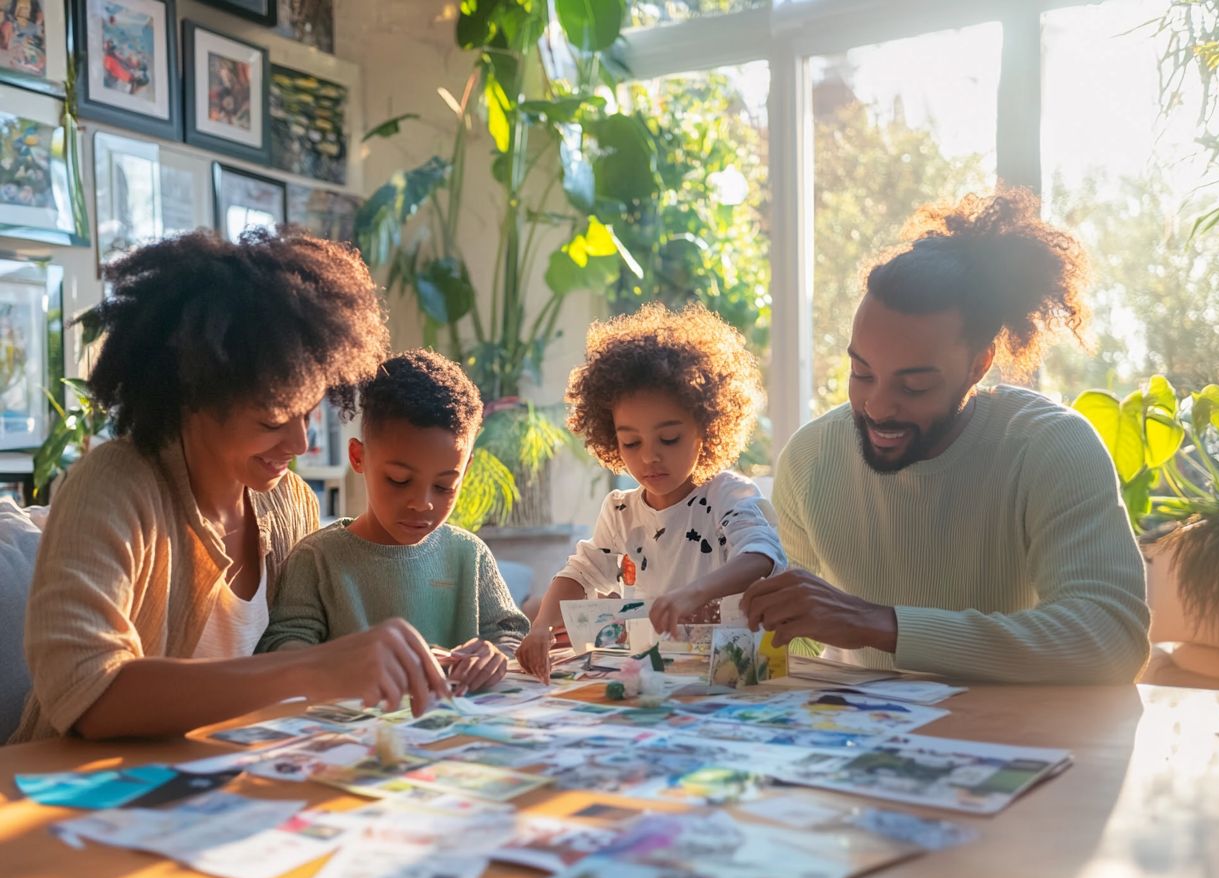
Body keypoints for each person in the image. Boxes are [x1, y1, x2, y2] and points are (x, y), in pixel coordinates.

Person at [10, 230, 451, 744]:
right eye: (272, 420)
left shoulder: (288, 502)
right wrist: (312, 671)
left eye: (308, 413)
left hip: (229, 779)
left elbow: (304, 644)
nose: (299, 441)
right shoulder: (113, 486)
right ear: (194, 396)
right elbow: (86, 693)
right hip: (70, 791)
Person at [741, 190, 1150, 684]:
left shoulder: (1050, 447)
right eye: (861, 373)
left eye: (914, 385)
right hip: (860, 739)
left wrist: (881, 625)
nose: (877, 406)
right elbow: (797, 643)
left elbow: (1111, 636)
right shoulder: (810, 459)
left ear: (978, 364)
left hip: (1011, 740)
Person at [517, 302, 786, 682]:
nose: (649, 457)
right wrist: (542, 625)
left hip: (733, 676)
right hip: (657, 677)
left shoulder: (729, 495)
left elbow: (761, 555)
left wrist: (694, 594)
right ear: (611, 439)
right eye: (630, 443)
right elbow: (579, 573)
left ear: (707, 428)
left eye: (669, 438)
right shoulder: (621, 511)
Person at [257, 350, 529, 695]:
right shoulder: (317, 558)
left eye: (445, 485)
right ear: (359, 458)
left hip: (457, 737)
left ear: (466, 471)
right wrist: (345, 665)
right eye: (399, 480)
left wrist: (495, 655)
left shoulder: (469, 554)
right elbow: (282, 646)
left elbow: (510, 633)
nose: (422, 503)